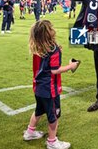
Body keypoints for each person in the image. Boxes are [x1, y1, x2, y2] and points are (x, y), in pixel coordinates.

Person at [23, 20, 79, 149]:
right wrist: (71, 66)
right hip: (50, 89)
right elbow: (54, 70)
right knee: (53, 115)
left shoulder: (37, 47)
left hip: (38, 86)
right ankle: (52, 142)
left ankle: (30, 132)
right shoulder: (53, 49)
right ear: (49, 32)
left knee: (39, 110)